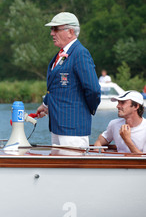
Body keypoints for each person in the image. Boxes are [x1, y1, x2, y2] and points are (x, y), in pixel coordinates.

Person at [36, 12, 101, 148]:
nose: (51, 33)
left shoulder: (80, 53)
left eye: (55, 29)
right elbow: (57, 87)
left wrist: (84, 110)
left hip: (73, 128)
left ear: (70, 32)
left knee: (72, 168)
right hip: (57, 125)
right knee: (59, 168)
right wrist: (46, 104)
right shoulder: (61, 54)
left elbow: (93, 89)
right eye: (51, 29)